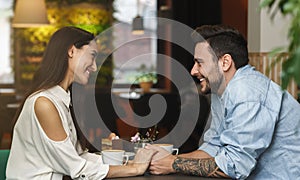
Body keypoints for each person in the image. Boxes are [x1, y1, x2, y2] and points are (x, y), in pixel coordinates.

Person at [146, 24, 300, 179]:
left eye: (200, 63)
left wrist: (173, 163)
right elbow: (213, 147)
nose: (193, 71)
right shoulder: (221, 91)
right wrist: (167, 160)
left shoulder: (246, 92)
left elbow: (234, 166)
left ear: (225, 62)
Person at [6, 26, 156, 179]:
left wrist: (129, 162)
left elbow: (79, 156)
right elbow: (77, 169)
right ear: (71, 51)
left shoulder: (63, 99)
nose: (94, 66)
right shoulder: (44, 103)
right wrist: (134, 169)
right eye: (92, 56)